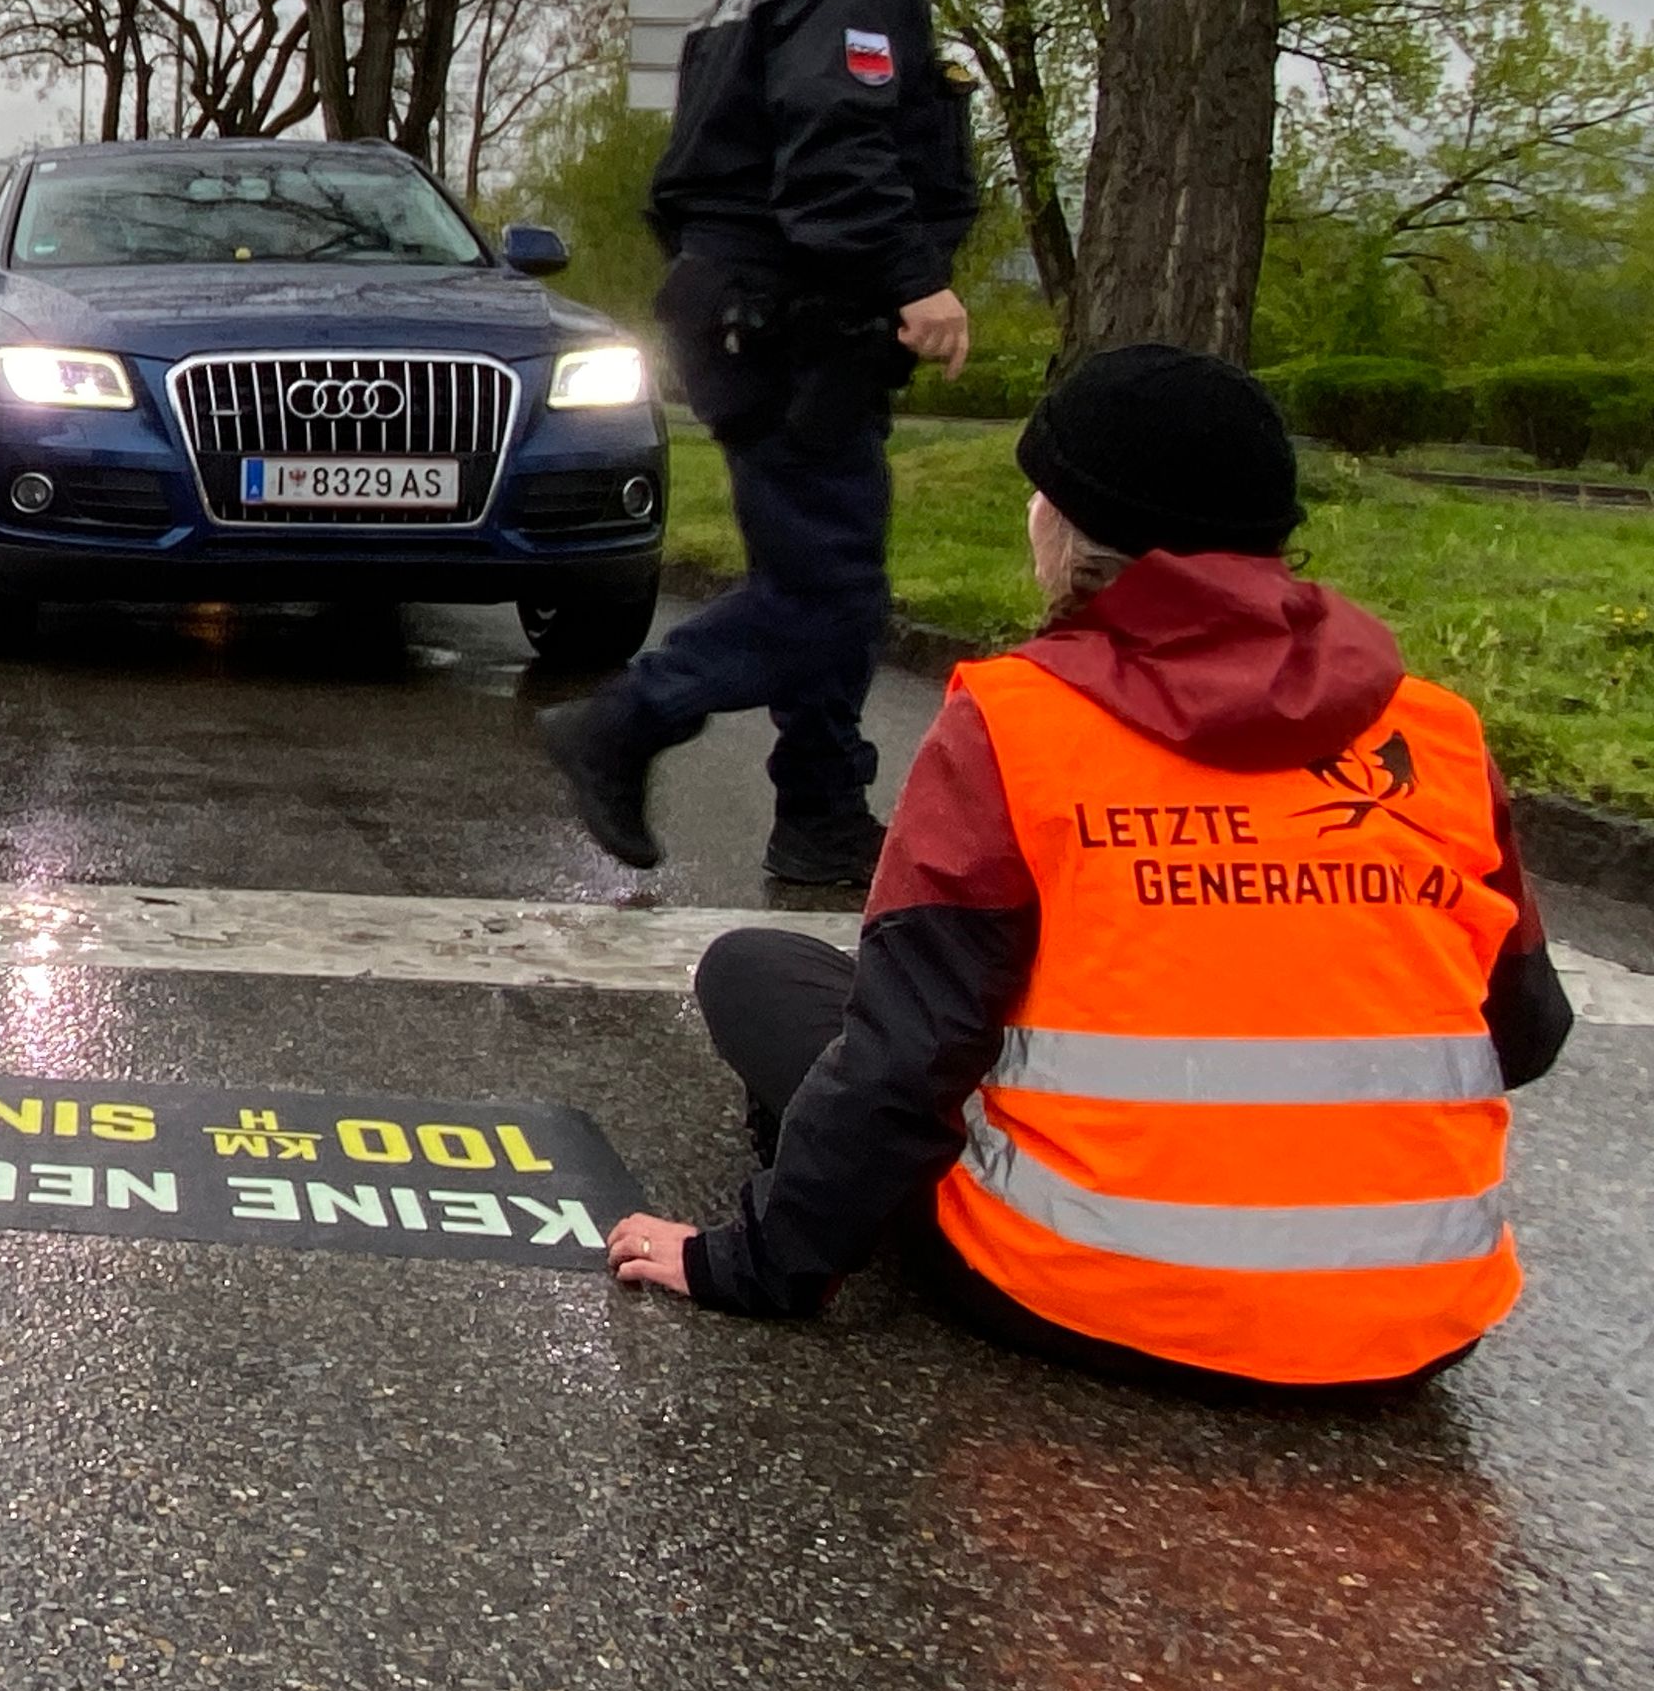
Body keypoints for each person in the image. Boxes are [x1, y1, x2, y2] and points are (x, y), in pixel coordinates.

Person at [604, 346, 1574, 1397]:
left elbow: (903, 1063)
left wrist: (751, 1263)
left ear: (1070, 532)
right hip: (1415, 1322)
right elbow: (1524, 1032)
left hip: (1091, 1293)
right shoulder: (1434, 732)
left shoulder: (1019, 722)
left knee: (755, 972)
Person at [539, 0, 978, 885]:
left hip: (753, 307)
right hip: (796, 314)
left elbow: (689, 176)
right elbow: (836, 152)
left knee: (819, 571)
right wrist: (914, 280)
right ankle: (625, 721)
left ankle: (822, 812)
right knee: (829, 591)